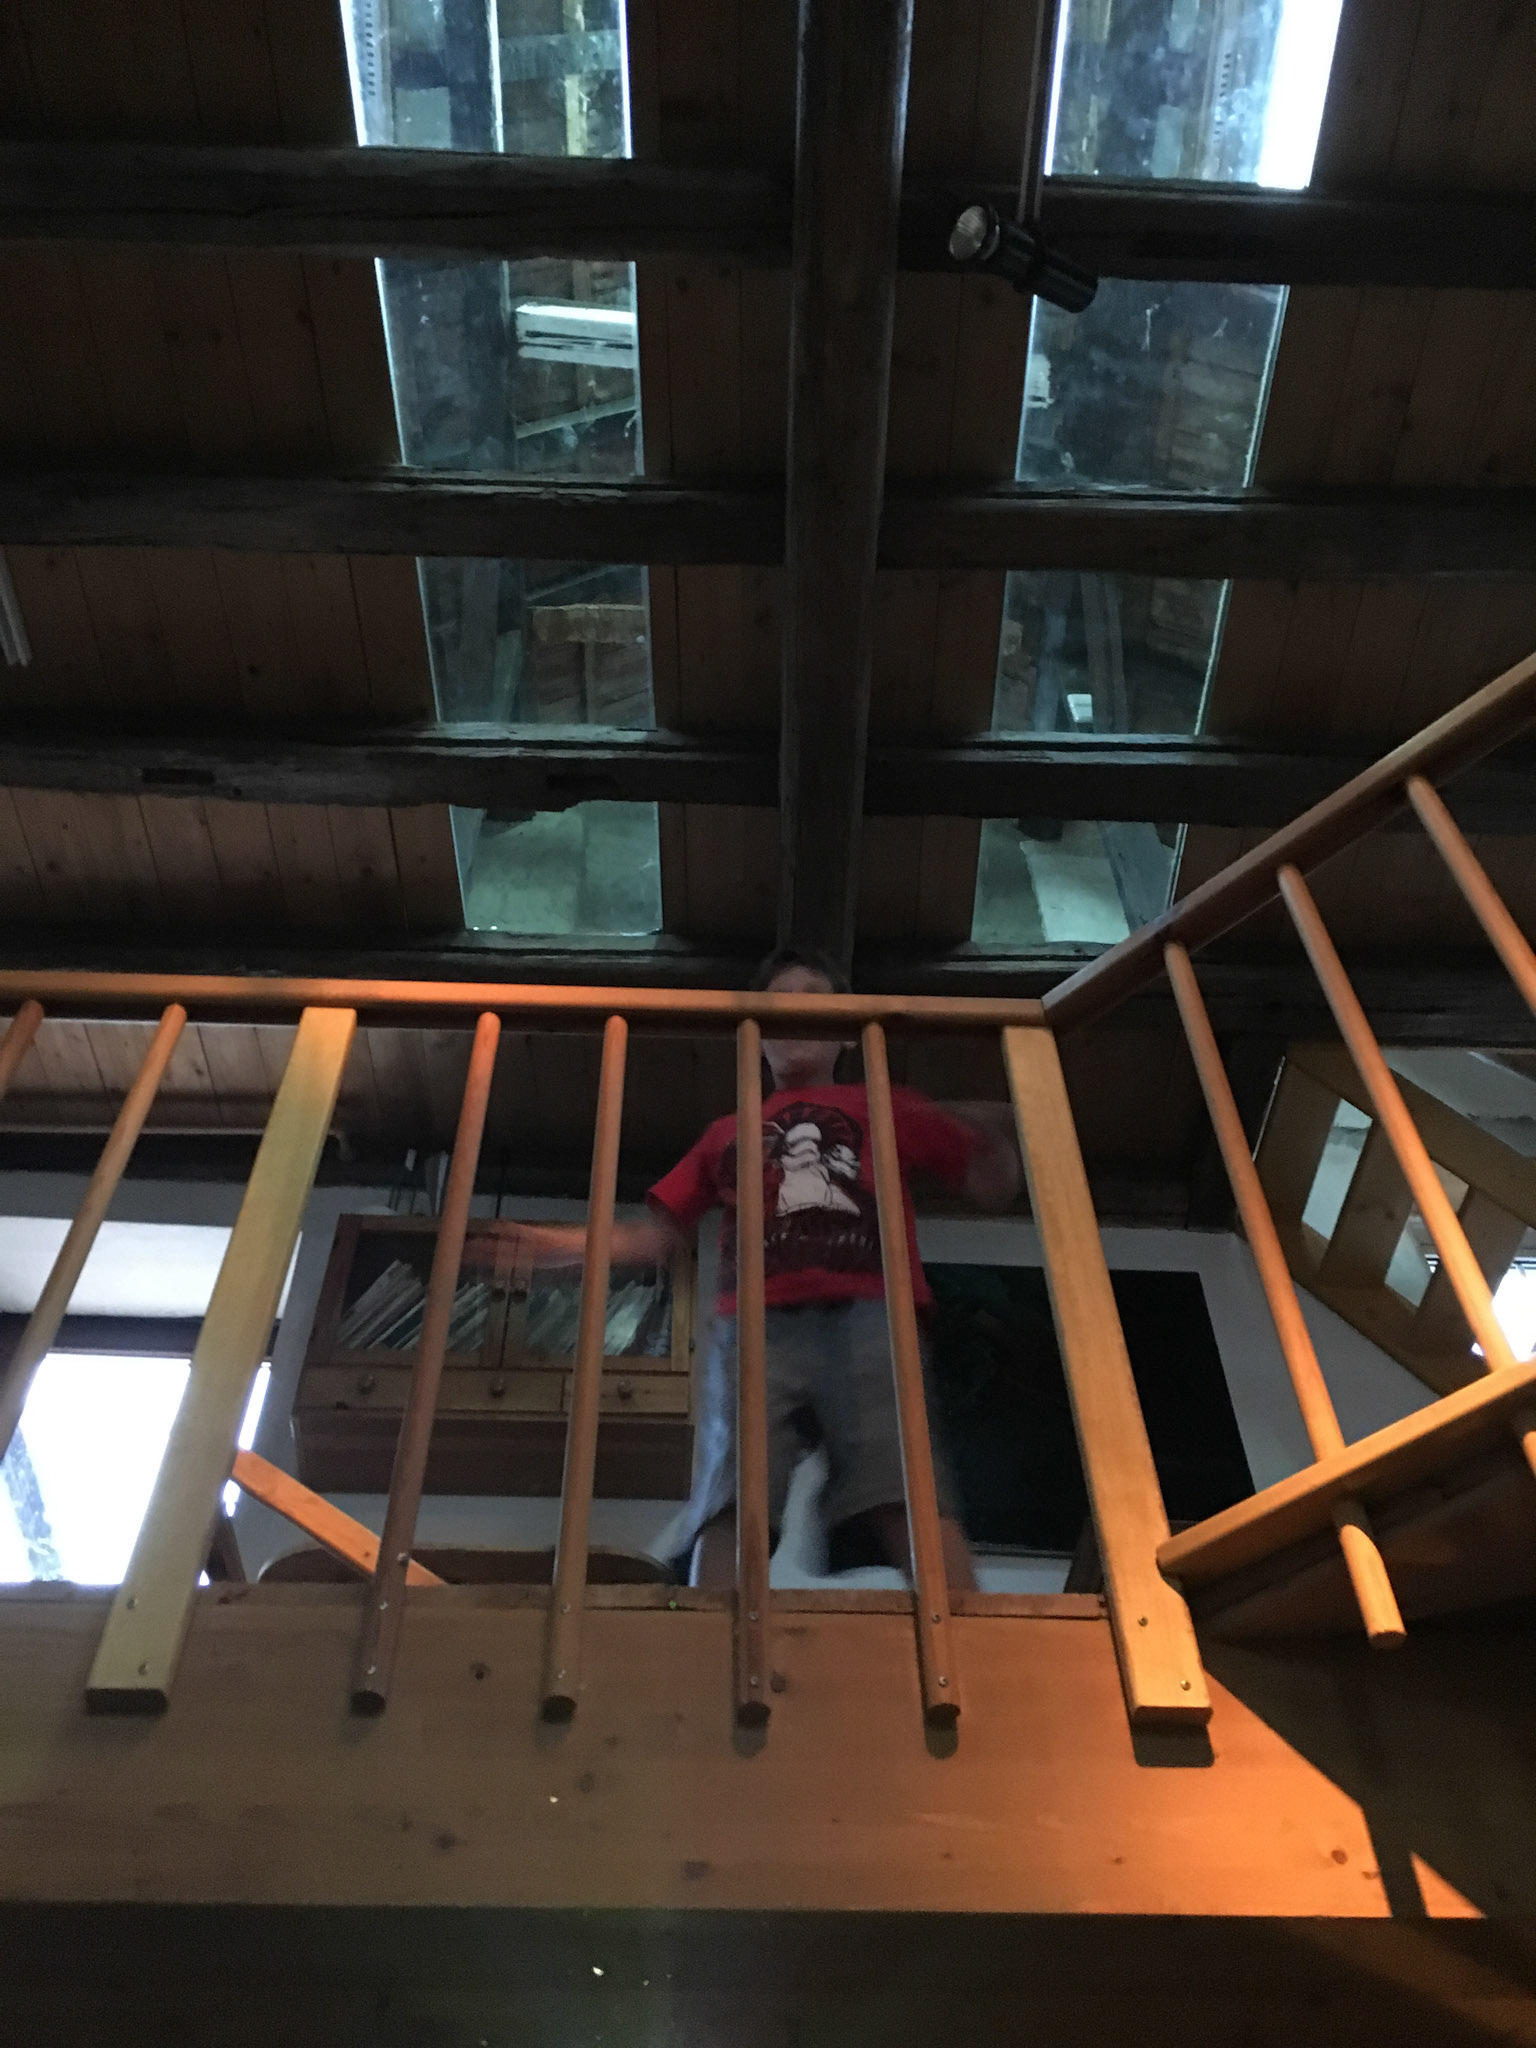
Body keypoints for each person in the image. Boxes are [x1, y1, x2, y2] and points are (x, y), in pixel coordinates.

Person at [479, 948, 1021, 1589]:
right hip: (753, 1326)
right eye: (778, 1005)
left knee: (902, 1483)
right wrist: (560, 1245)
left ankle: (962, 1627)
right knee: (733, 1491)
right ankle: (711, 1631)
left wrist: (996, 1125)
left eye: (814, 1001)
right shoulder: (727, 1131)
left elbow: (991, 1181)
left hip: (872, 1314)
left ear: (848, 1033)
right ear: (756, 1036)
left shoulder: (882, 1102)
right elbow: (657, 1237)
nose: (796, 1013)